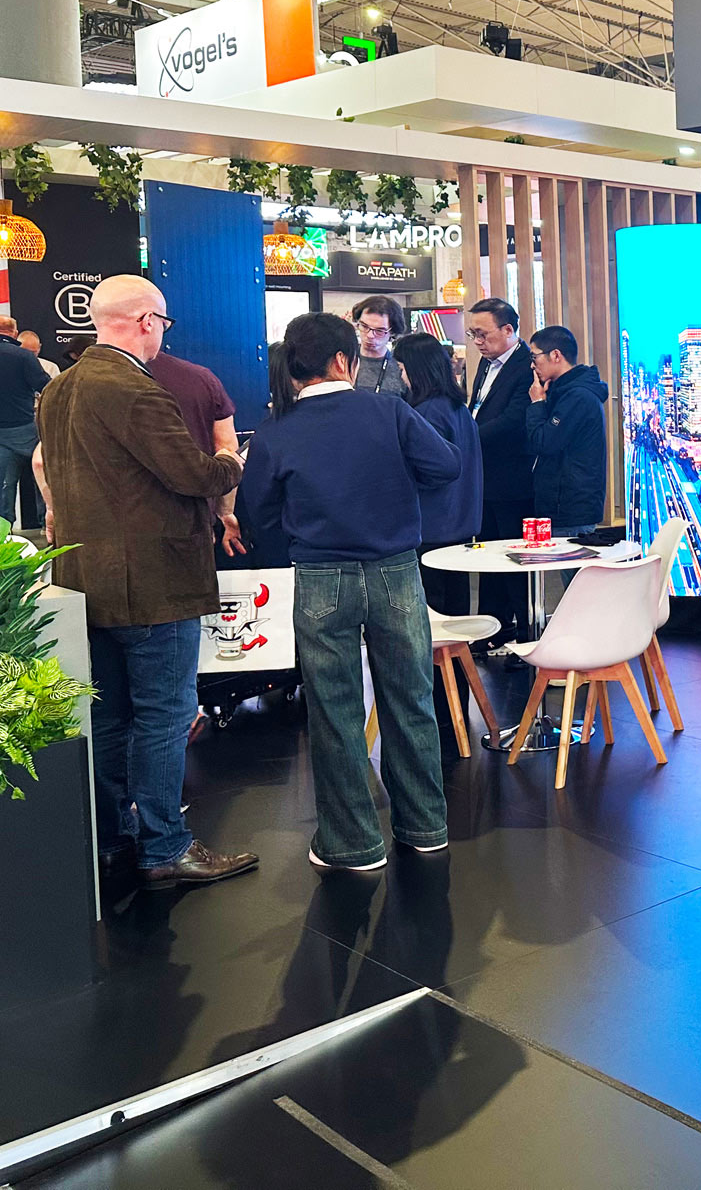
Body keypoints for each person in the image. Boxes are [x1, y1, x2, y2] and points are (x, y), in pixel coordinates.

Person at [38, 275, 253, 890]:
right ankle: (166, 847)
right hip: (153, 584)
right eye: (163, 323)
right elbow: (195, 476)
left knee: (108, 717)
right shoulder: (135, 388)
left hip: (86, 580)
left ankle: (113, 837)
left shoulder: (60, 387)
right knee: (164, 716)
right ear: (146, 321)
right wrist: (232, 459)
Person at [238, 313, 460, 872]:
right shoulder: (389, 411)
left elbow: (256, 513)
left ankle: (352, 844)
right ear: (344, 360)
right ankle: (425, 827)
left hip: (320, 577)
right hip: (396, 570)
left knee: (334, 711)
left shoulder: (275, 430)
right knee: (410, 700)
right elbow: (445, 465)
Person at [395, 331, 483, 616]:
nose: (401, 377)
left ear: (417, 369)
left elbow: (428, 469)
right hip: (460, 520)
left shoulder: (427, 412)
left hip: (433, 522)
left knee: (434, 612)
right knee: (457, 606)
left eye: (402, 369)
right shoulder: (456, 407)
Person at [467, 298, 534, 642]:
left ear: (508, 330)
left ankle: (526, 634)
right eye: (473, 334)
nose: (477, 342)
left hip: (513, 479)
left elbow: (514, 420)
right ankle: (493, 628)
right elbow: (477, 409)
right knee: (488, 556)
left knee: (513, 561)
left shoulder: (526, 365)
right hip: (484, 477)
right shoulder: (486, 362)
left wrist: (466, 437)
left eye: (483, 334)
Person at [149, 347, 245, 557]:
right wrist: (226, 512)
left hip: (113, 535)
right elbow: (227, 452)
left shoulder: (80, 382)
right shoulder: (201, 379)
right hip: (191, 526)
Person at [524, 325, 608, 534]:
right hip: (560, 504)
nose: (532, 365)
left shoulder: (577, 396)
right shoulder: (562, 391)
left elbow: (543, 443)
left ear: (555, 355)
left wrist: (537, 404)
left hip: (570, 509)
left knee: (570, 558)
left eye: (534, 357)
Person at [0, 315, 49, 529]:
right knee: (43, 479)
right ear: (14, 333)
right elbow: (46, 387)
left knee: (4, 488)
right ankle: (48, 529)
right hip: (26, 429)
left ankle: (4, 538)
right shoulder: (23, 356)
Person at [349, 295, 409, 399]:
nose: (370, 335)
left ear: (392, 332)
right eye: (364, 326)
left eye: (379, 331)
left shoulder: (402, 368)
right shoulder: (343, 361)